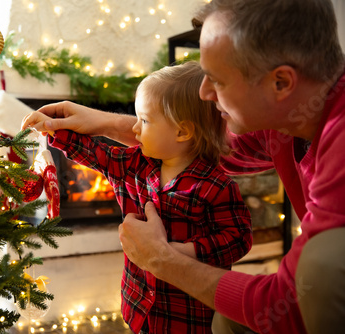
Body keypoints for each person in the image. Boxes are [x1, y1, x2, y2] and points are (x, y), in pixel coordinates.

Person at [19, 1, 345, 333]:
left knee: (321, 263)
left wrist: (161, 259)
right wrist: (105, 123)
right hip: (145, 313)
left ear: (281, 83)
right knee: (230, 322)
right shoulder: (284, 123)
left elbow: (289, 305)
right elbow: (203, 147)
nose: (204, 93)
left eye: (216, 80)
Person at [22, 61, 252, 334]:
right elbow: (97, 154)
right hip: (138, 307)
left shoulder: (216, 185)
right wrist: (54, 129)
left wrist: (182, 252)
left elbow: (237, 239)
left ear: (182, 131)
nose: (134, 129)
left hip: (188, 319)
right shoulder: (135, 164)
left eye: (144, 120)